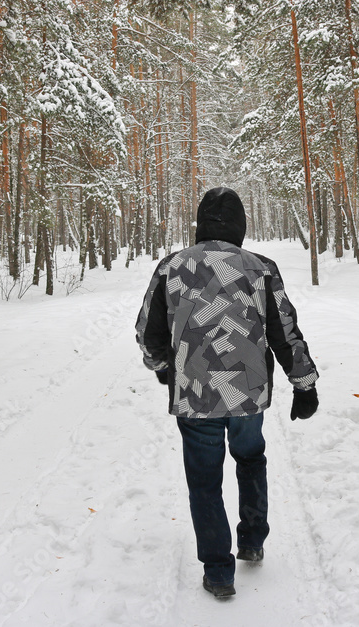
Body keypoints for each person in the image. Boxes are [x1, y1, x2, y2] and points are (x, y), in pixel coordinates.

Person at [135, 186, 319, 599]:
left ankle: (218, 572)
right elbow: (285, 332)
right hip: (246, 393)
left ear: (200, 223)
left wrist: (164, 367)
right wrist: (304, 384)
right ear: (240, 225)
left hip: (195, 394)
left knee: (204, 480)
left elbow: (148, 333)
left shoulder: (171, 266)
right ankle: (252, 541)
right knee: (250, 459)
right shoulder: (260, 268)